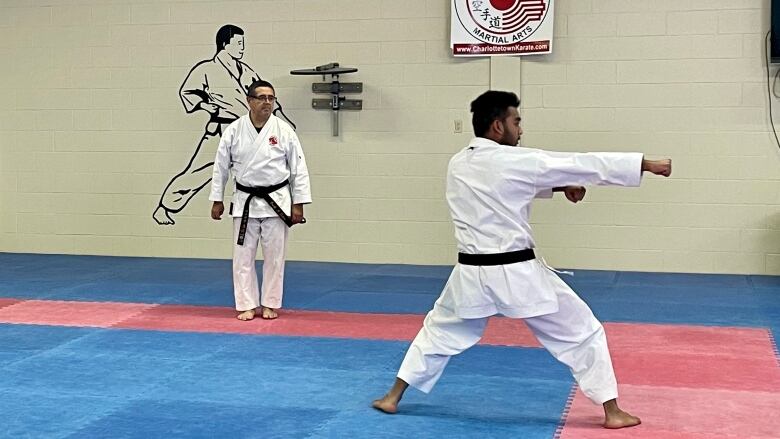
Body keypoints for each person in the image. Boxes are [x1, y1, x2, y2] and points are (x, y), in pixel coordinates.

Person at [372, 90, 672, 429]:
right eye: (517, 121)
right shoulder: (516, 160)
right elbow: (581, 163)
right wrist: (644, 164)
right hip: (517, 274)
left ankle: (392, 397)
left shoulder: (458, 162)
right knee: (583, 332)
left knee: (438, 332)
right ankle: (613, 412)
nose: (520, 129)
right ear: (498, 126)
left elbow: (501, 187)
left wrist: (561, 187)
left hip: (470, 275)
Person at [154, 24, 295, 225]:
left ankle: (270, 211)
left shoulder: (246, 71)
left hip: (250, 130)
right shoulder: (207, 69)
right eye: (238, 43)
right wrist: (204, 105)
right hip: (221, 129)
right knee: (200, 170)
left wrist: (284, 122)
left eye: (243, 43)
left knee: (263, 170)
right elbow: (187, 92)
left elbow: (267, 98)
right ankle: (166, 207)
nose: (242, 48)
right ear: (225, 44)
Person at [209, 79, 311, 321]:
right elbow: (220, 167)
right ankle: (246, 303)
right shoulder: (234, 130)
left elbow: (299, 168)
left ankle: (270, 303)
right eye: (262, 98)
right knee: (242, 257)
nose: (267, 102)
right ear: (249, 101)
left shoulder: (284, 130)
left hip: (277, 200)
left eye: (271, 98)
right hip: (245, 200)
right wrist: (217, 199)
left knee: (275, 257)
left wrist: (299, 203)